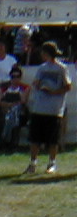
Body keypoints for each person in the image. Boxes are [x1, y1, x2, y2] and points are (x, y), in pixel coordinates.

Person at [24, 41, 72, 175]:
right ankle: (33, 163)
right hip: (39, 107)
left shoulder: (62, 68)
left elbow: (68, 86)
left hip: (54, 109)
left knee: (52, 139)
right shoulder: (42, 68)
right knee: (35, 138)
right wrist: (39, 85)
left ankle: (52, 163)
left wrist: (53, 92)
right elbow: (36, 83)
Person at [0, 65, 30, 149]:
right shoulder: (4, 87)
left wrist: (12, 105)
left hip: (20, 112)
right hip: (6, 110)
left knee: (14, 114)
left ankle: (13, 143)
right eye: (13, 76)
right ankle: (3, 142)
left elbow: (23, 101)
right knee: (5, 115)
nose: (15, 79)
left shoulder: (25, 87)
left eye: (17, 76)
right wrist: (7, 105)